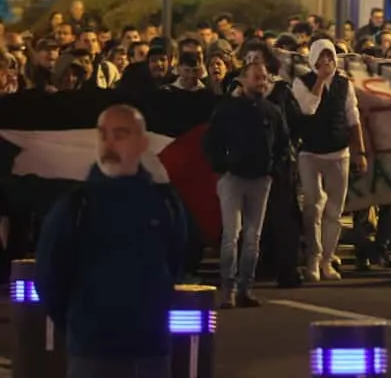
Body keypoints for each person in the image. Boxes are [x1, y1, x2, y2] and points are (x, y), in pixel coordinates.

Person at [36, 105, 187, 378]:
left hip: (150, 348)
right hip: (93, 350)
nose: (109, 144)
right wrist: (79, 322)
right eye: (103, 135)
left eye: (120, 135)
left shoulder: (163, 202)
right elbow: (50, 276)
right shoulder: (75, 205)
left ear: (142, 143)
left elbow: (174, 260)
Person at [204, 61, 291, 308]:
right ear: (244, 80)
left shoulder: (272, 111)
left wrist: (272, 170)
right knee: (232, 235)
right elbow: (211, 141)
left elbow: (283, 144)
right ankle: (228, 289)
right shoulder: (227, 110)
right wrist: (222, 166)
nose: (262, 83)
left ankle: (245, 287)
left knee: (253, 237)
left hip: (260, 180)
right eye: (257, 78)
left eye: (264, 78)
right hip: (233, 178)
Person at [292, 39, 367, 281]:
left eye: (330, 57)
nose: (327, 62)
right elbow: (308, 109)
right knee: (313, 206)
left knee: (334, 210)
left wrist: (360, 152)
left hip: (339, 153)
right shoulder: (301, 82)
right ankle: (312, 259)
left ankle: (327, 259)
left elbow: (352, 117)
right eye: (321, 58)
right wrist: (320, 80)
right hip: (311, 153)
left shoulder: (345, 84)